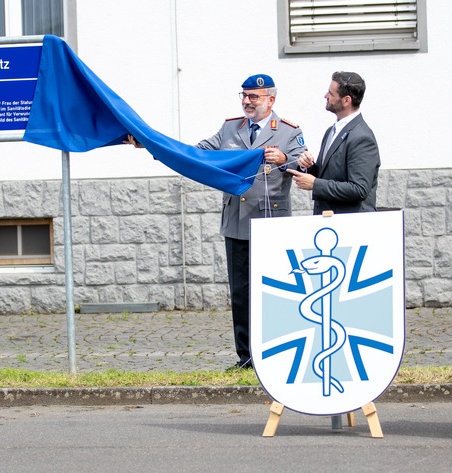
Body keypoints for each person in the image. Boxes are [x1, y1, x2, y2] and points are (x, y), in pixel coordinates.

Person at [126, 73, 308, 370]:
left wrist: (283, 158)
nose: (248, 102)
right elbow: (195, 155)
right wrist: (152, 146)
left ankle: (277, 354)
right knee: (240, 293)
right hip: (237, 221)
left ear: (271, 100)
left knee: (273, 291)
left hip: (270, 220)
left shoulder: (288, 130)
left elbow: (304, 162)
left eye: (254, 97)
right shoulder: (230, 128)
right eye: (244, 96)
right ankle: (246, 357)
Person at [289, 71, 380, 214]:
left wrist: (315, 184)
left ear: (346, 100)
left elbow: (359, 189)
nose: (325, 96)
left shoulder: (362, 138)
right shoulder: (331, 131)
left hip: (350, 225)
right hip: (329, 224)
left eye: (331, 94)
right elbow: (327, 174)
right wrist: (307, 166)